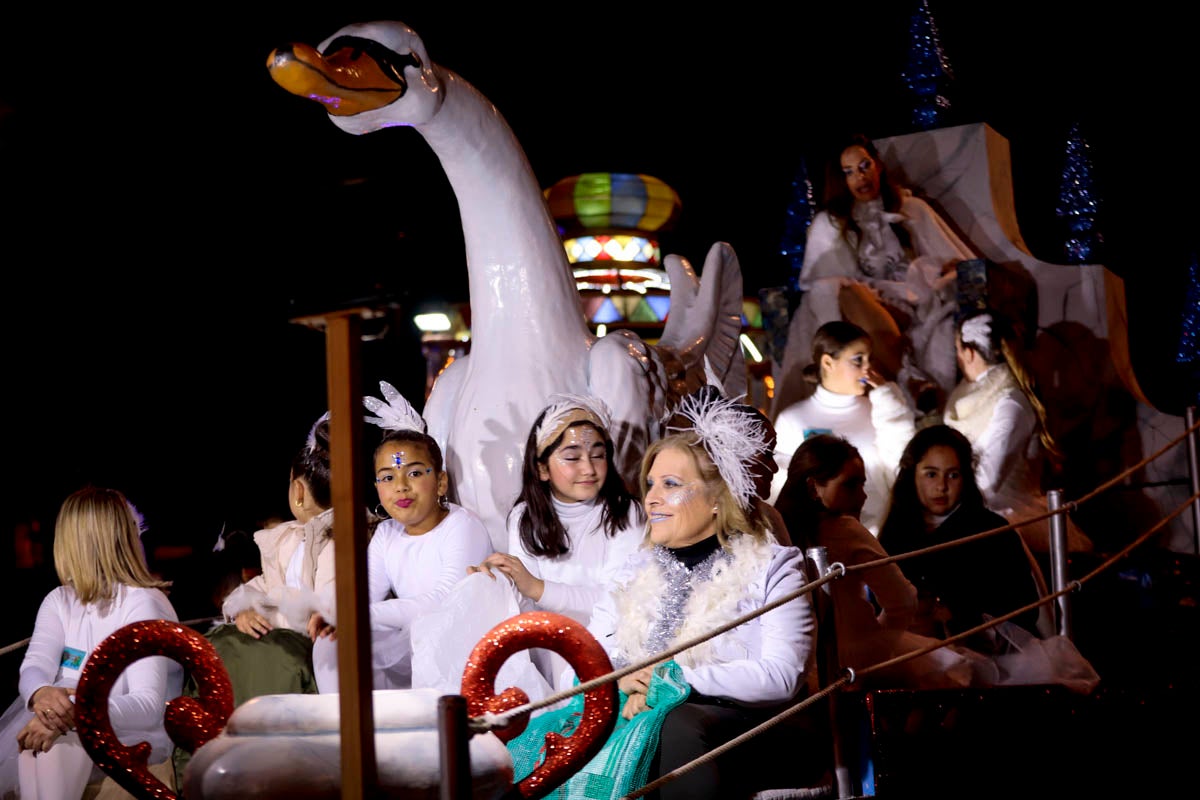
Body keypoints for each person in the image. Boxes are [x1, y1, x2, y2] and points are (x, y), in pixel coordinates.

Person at [508, 391, 826, 800]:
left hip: (752, 725)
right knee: (541, 739)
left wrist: (670, 682)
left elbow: (781, 677)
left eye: (671, 485)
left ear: (716, 498)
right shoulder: (629, 573)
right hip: (637, 714)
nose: (652, 497)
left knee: (676, 724)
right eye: (651, 484)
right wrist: (626, 684)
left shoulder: (773, 566)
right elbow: (591, 660)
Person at [309, 382, 493, 693]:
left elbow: (442, 603)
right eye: (388, 477)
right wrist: (334, 613)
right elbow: (364, 595)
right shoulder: (386, 533)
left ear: (441, 482)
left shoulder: (463, 527)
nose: (401, 487)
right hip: (412, 639)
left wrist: (355, 614)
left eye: (415, 473)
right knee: (330, 642)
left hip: (463, 647)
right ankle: (351, 731)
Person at [0, 486, 182, 799]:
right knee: (37, 743)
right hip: (74, 717)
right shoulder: (59, 600)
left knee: (55, 743)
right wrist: (41, 693)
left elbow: (147, 705)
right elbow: (34, 665)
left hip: (125, 724)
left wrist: (73, 713)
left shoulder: (142, 604)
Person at [776, 133, 977, 415]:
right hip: (865, 311)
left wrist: (940, 272)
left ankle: (917, 384)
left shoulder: (913, 210)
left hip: (916, 303)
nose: (860, 177)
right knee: (846, 293)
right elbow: (822, 283)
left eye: (864, 166)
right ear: (840, 180)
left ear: (878, 166)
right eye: (849, 172)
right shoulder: (830, 223)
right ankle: (911, 380)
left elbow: (959, 262)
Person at [464, 394, 645, 691]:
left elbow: (618, 602)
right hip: (549, 651)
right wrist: (496, 580)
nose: (588, 468)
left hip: (610, 655)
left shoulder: (626, 512)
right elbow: (526, 603)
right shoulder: (524, 517)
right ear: (542, 468)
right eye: (572, 457)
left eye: (598, 455)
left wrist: (536, 586)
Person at [774, 434, 980, 691]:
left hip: (796, 667)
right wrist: (877, 640)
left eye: (862, 485)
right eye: (850, 486)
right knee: (958, 670)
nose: (862, 497)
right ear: (814, 487)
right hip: (855, 660)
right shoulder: (844, 528)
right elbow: (904, 600)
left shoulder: (774, 530)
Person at [877, 424, 1047, 652]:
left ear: (965, 478)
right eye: (931, 474)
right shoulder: (895, 532)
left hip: (984, 655)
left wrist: (958, 613)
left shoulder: (992, 531)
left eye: (953, 475)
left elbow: (1024, 608)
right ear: (912, 475)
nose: (941, 486)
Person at [943, 310, 1093, 554]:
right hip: (968, 506)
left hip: (1009, 515)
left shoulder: (1011, 402)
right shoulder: (964, 400)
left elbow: (988, 479)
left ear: (968, 353)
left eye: (958, 350)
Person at [770, 320, 916, 537]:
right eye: (858, 360)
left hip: (881, 538)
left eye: (869, 359)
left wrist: (890, 404)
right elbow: (782, 493)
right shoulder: (793, 419)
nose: (868, 368)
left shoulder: (880, 410)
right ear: (828, 362)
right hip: (816, 541)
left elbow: (902, 469)